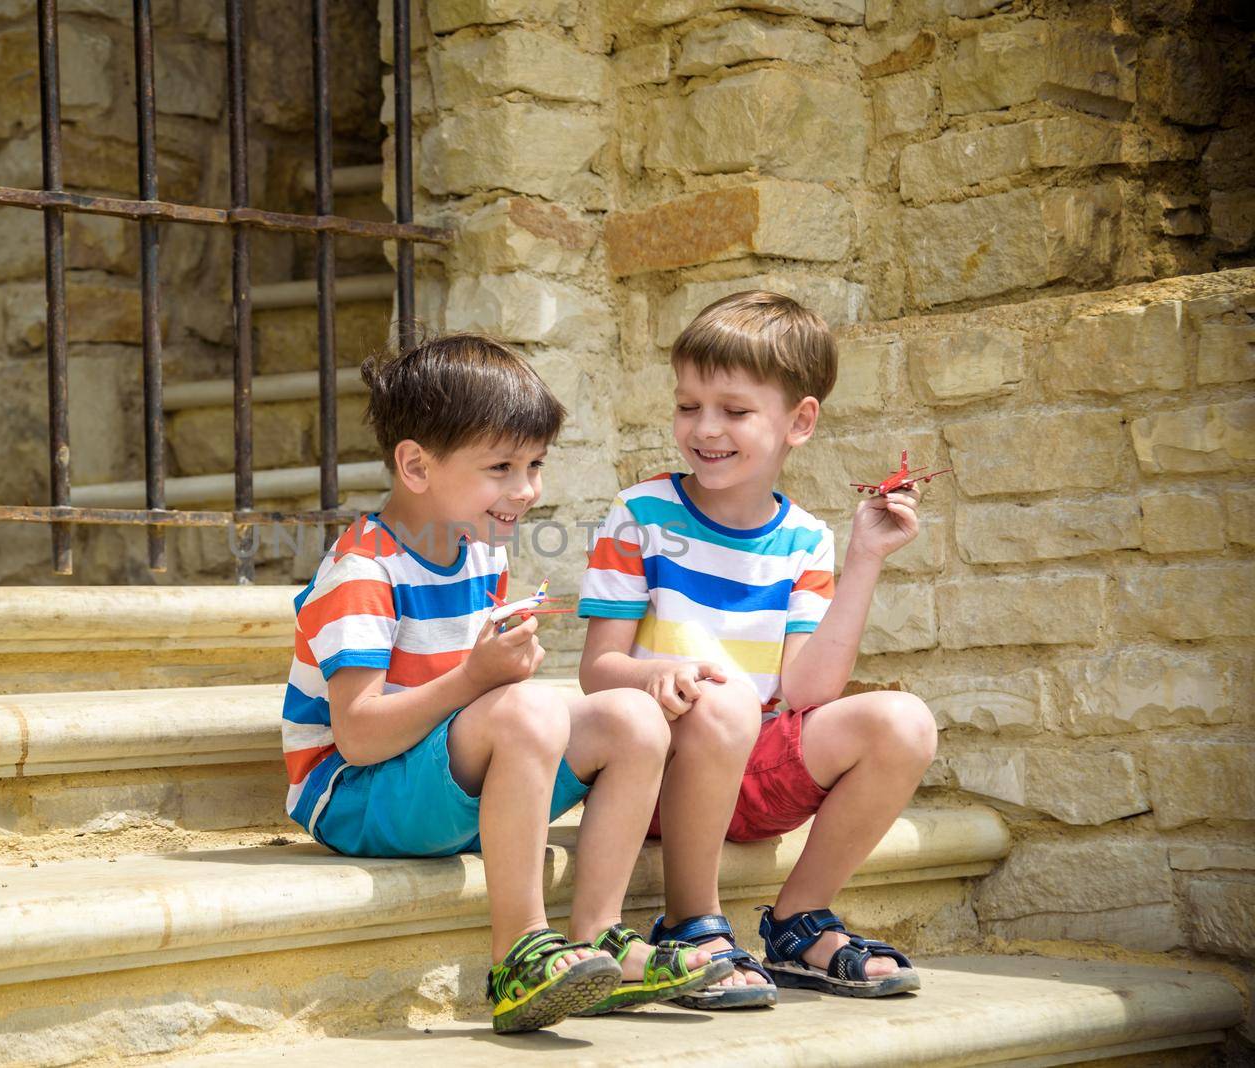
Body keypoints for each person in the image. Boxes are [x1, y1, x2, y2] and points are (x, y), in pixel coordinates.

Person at [283, 332, 728, 1033]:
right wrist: (477, 678)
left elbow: (485, 706)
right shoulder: (362, 573)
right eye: (501, 467)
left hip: (439, 778)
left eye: (535, 464)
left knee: (635, 720)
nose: (525, 490)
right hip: (358, 799)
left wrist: (493, 678)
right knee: (527, 710)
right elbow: (360, 736)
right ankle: (517, 953)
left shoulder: (476, 552)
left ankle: (595, 937)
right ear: (415, 465)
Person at [579, 291, 938, 1006]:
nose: (705, 429)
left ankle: (799, 920)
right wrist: (660, 673)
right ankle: (691, 922)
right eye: (689, 406)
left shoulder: (805, 538)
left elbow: (807, 693)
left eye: (734, 411)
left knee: (905, 722)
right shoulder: (641, 515)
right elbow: (597, 671)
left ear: (799, 421)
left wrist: (864, 558)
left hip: (756, 765)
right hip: (659, 774)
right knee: (724, 700)